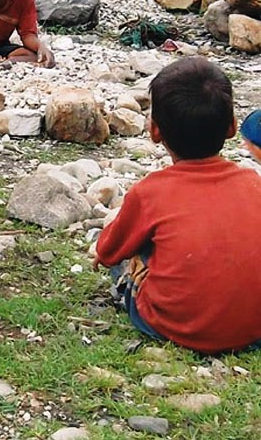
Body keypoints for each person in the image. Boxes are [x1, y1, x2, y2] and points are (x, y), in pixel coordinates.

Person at [92, 57, 261, 355]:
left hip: (172, 325)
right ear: (232, 127)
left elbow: (108, 253)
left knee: (128, 258)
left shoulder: (151, 192)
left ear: (155, 132)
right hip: (253, 329)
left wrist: (109, 250)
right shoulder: (253, 183)